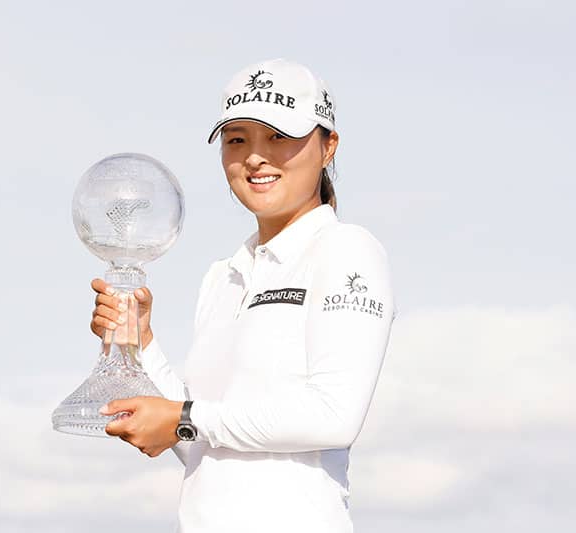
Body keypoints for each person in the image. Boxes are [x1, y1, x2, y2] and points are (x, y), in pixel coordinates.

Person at [91, 58, 397, 533]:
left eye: (279, 136)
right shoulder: (223, 275)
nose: (255, 157)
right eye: (238, 140)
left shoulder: (346, 250)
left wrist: (184, 417)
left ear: (328, 145)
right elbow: (201, 446)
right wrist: (140, 345)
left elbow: (333, 416)